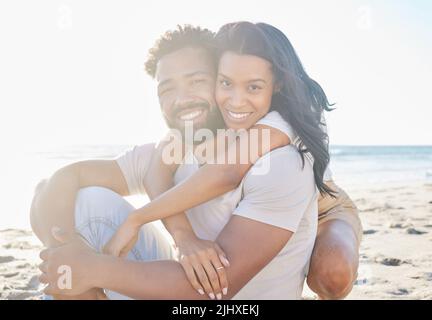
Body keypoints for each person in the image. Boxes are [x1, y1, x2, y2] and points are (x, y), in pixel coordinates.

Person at [31, 23, 362, 300]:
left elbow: (214, 287)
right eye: (167, 89)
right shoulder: (172, 147)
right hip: (184, 291)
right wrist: (71, 256)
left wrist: (93, 268)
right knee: (79, 206)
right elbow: (58, 183)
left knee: (331, 272)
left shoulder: (277, 150)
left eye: (196, 81)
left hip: (323, 210)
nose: (182, 98)